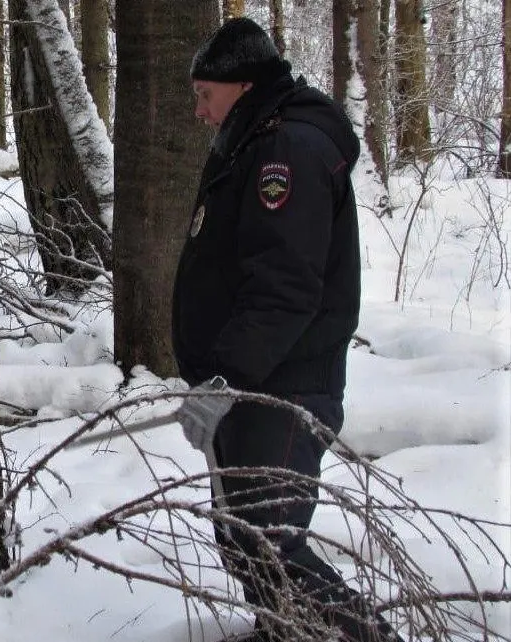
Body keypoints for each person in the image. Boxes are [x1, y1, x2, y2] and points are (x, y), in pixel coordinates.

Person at [171, 17, 402, 642]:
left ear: (242, 86)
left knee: (271, 544)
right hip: (254, 384)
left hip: (284, 386)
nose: (199, 112)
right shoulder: (255, 141)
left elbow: (285, 287)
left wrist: (226, 378)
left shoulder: (288, 151)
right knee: (246, 541)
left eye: (205, 95)